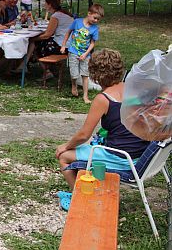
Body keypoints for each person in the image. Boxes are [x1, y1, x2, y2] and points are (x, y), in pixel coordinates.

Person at [56, 49, 149, 209]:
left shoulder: (104, 99)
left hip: (121, 157)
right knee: (90, 146)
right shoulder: (135, 89)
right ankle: (88, 188)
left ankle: (78, 198)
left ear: (95, 75)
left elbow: (84, 134)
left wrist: (66, 146)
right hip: (140, 154)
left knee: (64, 156)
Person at [17, 0, 74, 75]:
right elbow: (51, 32)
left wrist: (33, 39)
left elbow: (47, 35)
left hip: (63, 46)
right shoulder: (63, 14)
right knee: (37, 42)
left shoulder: (55, 16)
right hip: (70, 44)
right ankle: (24, 65)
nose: (44, 5)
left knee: (35, 44)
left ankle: (45, 71)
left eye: (45, 3)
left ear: (50, 5)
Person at [61, 4, 104, 103]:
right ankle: (74, 85)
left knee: (85, 75)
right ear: (89, 13)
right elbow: (68, 32)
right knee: (74, 74)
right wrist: (64, 45)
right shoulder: (77, 22)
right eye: (95, 18)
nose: (96, 21)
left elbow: (92, 43)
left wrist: (86, 54)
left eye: (98, 19)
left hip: (85, 54)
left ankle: (85, 96)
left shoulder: (94, 28)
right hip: (73, 51)